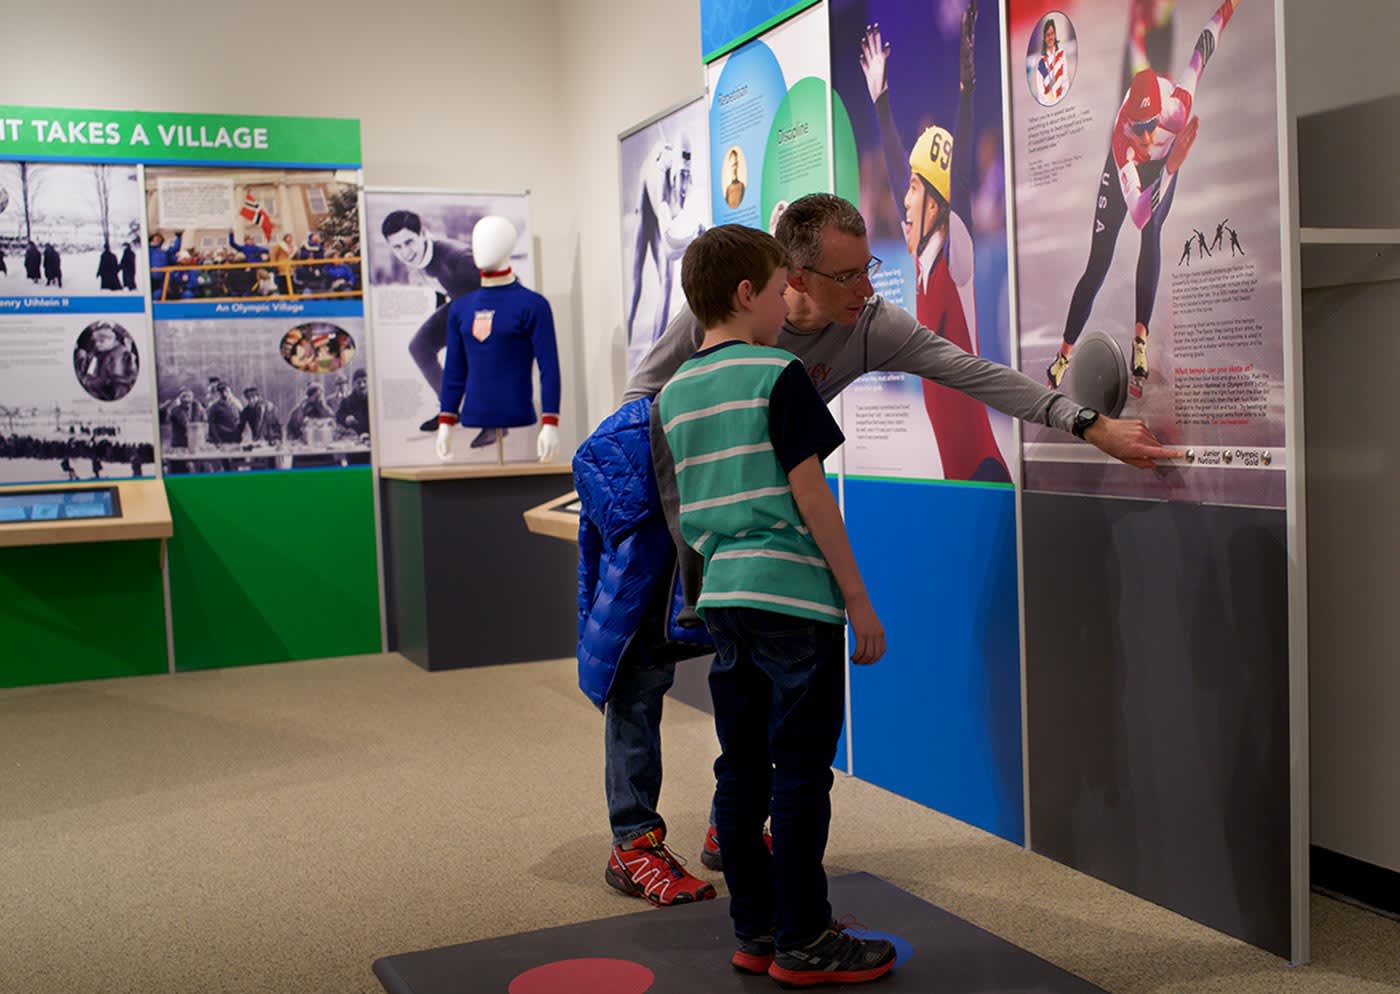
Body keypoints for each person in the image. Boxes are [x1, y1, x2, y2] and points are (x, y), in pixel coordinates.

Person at [602, 192, 1179, 903]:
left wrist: (1084, 421)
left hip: (761, 533)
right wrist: (673, 533)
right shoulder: (722, 312)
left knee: (749, 680)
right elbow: (640, 406)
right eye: (850, 275)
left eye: (870, 266)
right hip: (675, 505)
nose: (868, 288)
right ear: (794, 277)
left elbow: (974, 373)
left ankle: (733, 827)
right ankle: (633, 841)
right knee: (643, 666)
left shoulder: (869, 326)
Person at [657, 224, 898, 985]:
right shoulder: (775, 375)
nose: (789, 299)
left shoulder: (673, 394)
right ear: (746, 294)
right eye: (779, 285)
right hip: (793, 599)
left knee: (742, 772)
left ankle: (756, 932)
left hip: (724, 597)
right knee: (800, 774)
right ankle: (806, 940)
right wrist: (858, 602)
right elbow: (810, 496)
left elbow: (690, 508)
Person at [1045, 0, 1240, 397]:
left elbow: (1202, 50)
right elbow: (1135, 212)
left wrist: (1228, 8)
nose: (1147, 137)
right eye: (1140, 128)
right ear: (1128, 122)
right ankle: (1064, 354)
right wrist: (1168, 165)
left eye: (1152, 126)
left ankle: (1140, 340)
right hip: (1143, 174)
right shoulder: (1123, 144)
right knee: (1098, 262)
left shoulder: (1178, 107)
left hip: (1164, 169)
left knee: (1151, 238)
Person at [859, 0, 1011, 482]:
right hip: (955, 476)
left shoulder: (956, 256)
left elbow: (959, 182)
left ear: (939, 208)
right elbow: (894, 163)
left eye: (915, 190)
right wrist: (880, 100)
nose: (903, 199)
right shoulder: (920, 255)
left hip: (984, 470)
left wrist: (967, 89)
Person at [379, 210, 483, 431]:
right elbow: (442, 284)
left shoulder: (457, 256)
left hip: (486, 308)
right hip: (459, 304)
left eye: (409, 242)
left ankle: (490, 417)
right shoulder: (419, 259)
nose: (405, 252)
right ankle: (450, 409)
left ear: (423, 234)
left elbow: (498, 285)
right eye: (397, 247)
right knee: (420, 346)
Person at [625, 135, 701, 346]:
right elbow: (669, 250)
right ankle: (633, 341)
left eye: (687, 173)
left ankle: (655, 347)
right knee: (636, 281)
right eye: (681, 174)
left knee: (667, 282)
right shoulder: (661, 179)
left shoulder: (687, 181)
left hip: (662, 212)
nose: (684, 181)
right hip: (647, 207)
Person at [74, 323, 138, 401]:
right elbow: (90, 373)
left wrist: (91, 382)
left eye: (101, 341)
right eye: (95, 341)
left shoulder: (118, 354)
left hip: (114, 392)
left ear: (112, 339)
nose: (97, 344)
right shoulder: (98, 353)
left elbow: (118, 380)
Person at [1037, 15, 1067, 105]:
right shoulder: (1041, 63)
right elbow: (1040, 92)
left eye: (1052, 34)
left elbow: (1066, 82)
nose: (1050, 37)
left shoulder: (1062, 56)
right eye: (1048, 35)